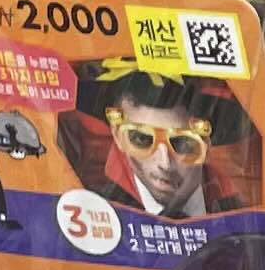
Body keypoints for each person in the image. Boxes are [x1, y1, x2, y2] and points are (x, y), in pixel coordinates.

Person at [77, 61, 253, 219]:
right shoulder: (91, 210)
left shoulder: (242, 212)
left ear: (207, 144)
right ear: (117, 135)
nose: (165, 164)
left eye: (182, 143)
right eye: (141, 139)